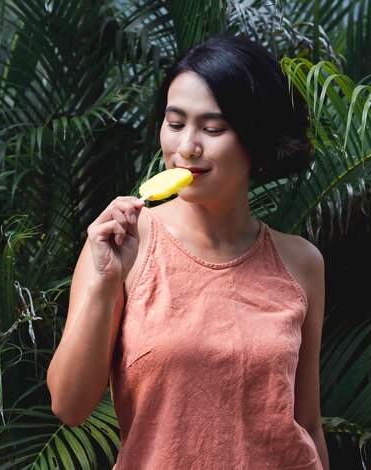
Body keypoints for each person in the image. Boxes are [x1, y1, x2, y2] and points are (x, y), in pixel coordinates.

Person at [47, 35, 329, 469]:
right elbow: (69, 405)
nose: (186, 148)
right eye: (175, 124)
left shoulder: (301, 263)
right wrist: (105, 283)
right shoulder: (121, 243)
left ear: (255, 138)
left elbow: (306, 422)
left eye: (212, 129)